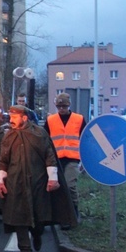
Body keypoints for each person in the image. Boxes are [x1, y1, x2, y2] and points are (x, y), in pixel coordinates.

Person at [0, 105, 77, 252]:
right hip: (15, 182)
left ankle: (37, 233)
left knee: (39, 214)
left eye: (14, 116)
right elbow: (3, 160)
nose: (10, 119)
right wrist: (0, 181)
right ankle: (25, 249)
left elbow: (49, 156)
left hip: (37, 181)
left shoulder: (39, 134)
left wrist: (52, 178)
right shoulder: (8, 136)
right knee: (19, 216)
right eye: (10, 116)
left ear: (24, 118)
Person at [44, 93, 86, 229]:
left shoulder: (79, 119)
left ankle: (74, 213)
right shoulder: (51, 120)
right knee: (58, 189)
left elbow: (86, 139)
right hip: (56, 159)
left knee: (69, 186)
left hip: (73, 158)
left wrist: (85, 161)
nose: (61, 109)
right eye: (59, 106)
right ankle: (63, 217)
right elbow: (45, 140)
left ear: (69, 106)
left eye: (64, 106)